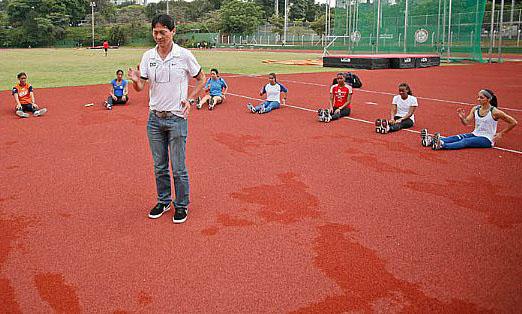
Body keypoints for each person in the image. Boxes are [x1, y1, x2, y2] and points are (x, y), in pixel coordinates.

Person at [127, 14, 206, 223]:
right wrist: (135, 81)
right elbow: (141, 87)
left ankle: (181, 205)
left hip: (177, 119)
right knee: (159, 166)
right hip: (154, 119)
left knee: (178, 167)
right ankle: (163, 201)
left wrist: (190, 99)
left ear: (173, 31)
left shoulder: (184, 55)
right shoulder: (147, 57)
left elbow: (201, 78)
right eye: (155, 32)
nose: (159, 36)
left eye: (163, 32)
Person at [423, 89, 517, 150]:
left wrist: (501, 133)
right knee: (458, 137)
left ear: (488, 99)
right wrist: (462, 118)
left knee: (466, 142)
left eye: (481, 97)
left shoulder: (495, 112)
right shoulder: (475, 108)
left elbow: (513, 122)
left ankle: (442, 145)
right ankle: (431, 141)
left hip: (487, 139)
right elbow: (466, 122)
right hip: (475, 134)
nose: (478, 99)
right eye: (478, 97)